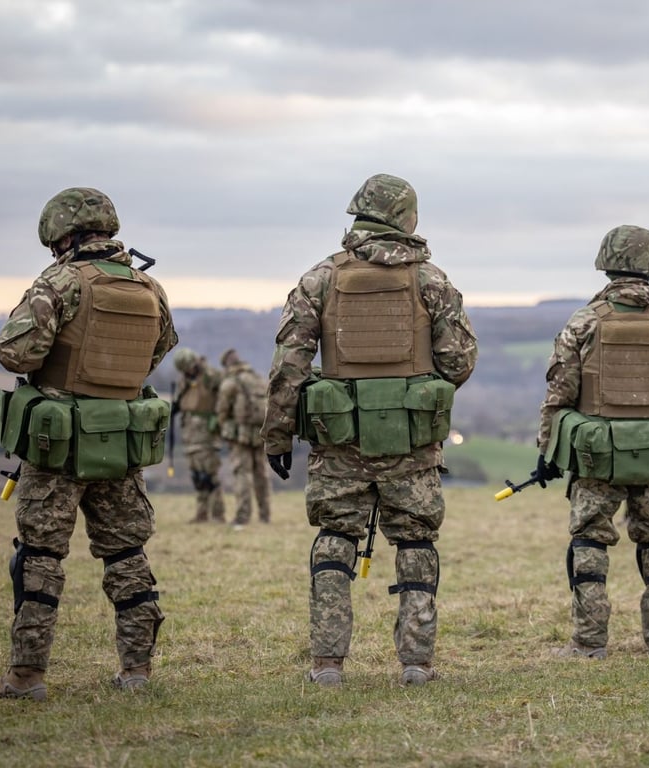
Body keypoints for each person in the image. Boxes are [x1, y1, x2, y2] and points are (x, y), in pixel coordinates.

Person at [262, 173, 477, 687]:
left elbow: (288, 365)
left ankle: (327, 665)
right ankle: (417, 664)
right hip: (411, 443)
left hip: (339, 444)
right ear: (407, 219)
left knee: (334, 540)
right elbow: (459, 362)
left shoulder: (321, 279)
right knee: (416, 543)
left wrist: (276, 436)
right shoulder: (433, 281)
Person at [0, 187, 178, 700]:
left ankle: (27, 677)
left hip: (58, 447)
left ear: (60, 235)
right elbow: (159, 349)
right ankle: (137, 672)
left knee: (41, 555)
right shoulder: (149, 287)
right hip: (120, 444)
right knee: (127, 553)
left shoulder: (59, 281)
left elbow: (15, 352)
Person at [537, 225, 649, 661]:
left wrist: (549, 451)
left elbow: (559, 395)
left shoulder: (584, 323)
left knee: (590, 543)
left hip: (597, 456)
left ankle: (589, 643)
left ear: (605, 264)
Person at [217, 348, 271, 527]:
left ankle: (243, 516)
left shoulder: (230, 382)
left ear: (227, 364)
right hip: (260, 431)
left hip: (240, 435)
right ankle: (265, 515)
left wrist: (224, 427)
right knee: (261, 473)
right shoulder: (257, 378)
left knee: (242, 473)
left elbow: (222, 411)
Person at [172, 348, 227, 523]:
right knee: (197, 476)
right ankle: (202, 513)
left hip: (207, 432)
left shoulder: (211, 376)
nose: (187, 371)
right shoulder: (185, 381)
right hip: (189, 433)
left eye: (189, 367)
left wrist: (219, 418)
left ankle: (218, 515)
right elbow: (181, 400)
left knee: (210, 475)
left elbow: (225, 396)